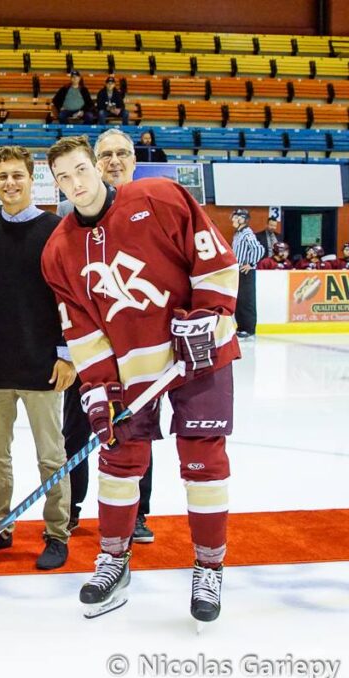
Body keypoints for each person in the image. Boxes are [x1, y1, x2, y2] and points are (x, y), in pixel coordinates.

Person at [43, 134, 239, 624]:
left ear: (97, 167)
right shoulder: (58, 250)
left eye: (80, 170)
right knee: (120, 459)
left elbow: (214, 261)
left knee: (203, 458)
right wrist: (98, 388)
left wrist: (207, 317)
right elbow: (84, 331)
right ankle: (114, 558)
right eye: (63, 178)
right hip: (131, 370)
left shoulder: (161, 198)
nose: (75, 183)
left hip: (195, 355)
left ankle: (209, 567)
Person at [0, 146, 74, 570]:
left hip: (44, 365)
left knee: (52, 456)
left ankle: (57, 532)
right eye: (2, 177)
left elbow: (70, 297)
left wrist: (66, 354)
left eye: (17, 176)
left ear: (33, 180)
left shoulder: (56, 231)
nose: (9, 184)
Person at [59, 129, 156, 543]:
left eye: (122, 154)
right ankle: (72, 507)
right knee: (77, 430)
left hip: (141, 352)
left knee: (139, 431)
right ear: (93, 164)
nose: (114, 161)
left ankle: (137, 514)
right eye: (105, 155)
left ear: (134, 160)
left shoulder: (154, 210)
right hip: (88, 351)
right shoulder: (73, 222)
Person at [231, 208, 265, 339]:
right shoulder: (238, 233)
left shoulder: (247, 233)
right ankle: (241, 327)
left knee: (246, 300)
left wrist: (251, 264)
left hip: (245, 272)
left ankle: (249, 328)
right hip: (238, 271)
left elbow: (258, 248)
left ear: (241, 219)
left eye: (235, 217)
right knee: (239, 300)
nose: (233, 220)